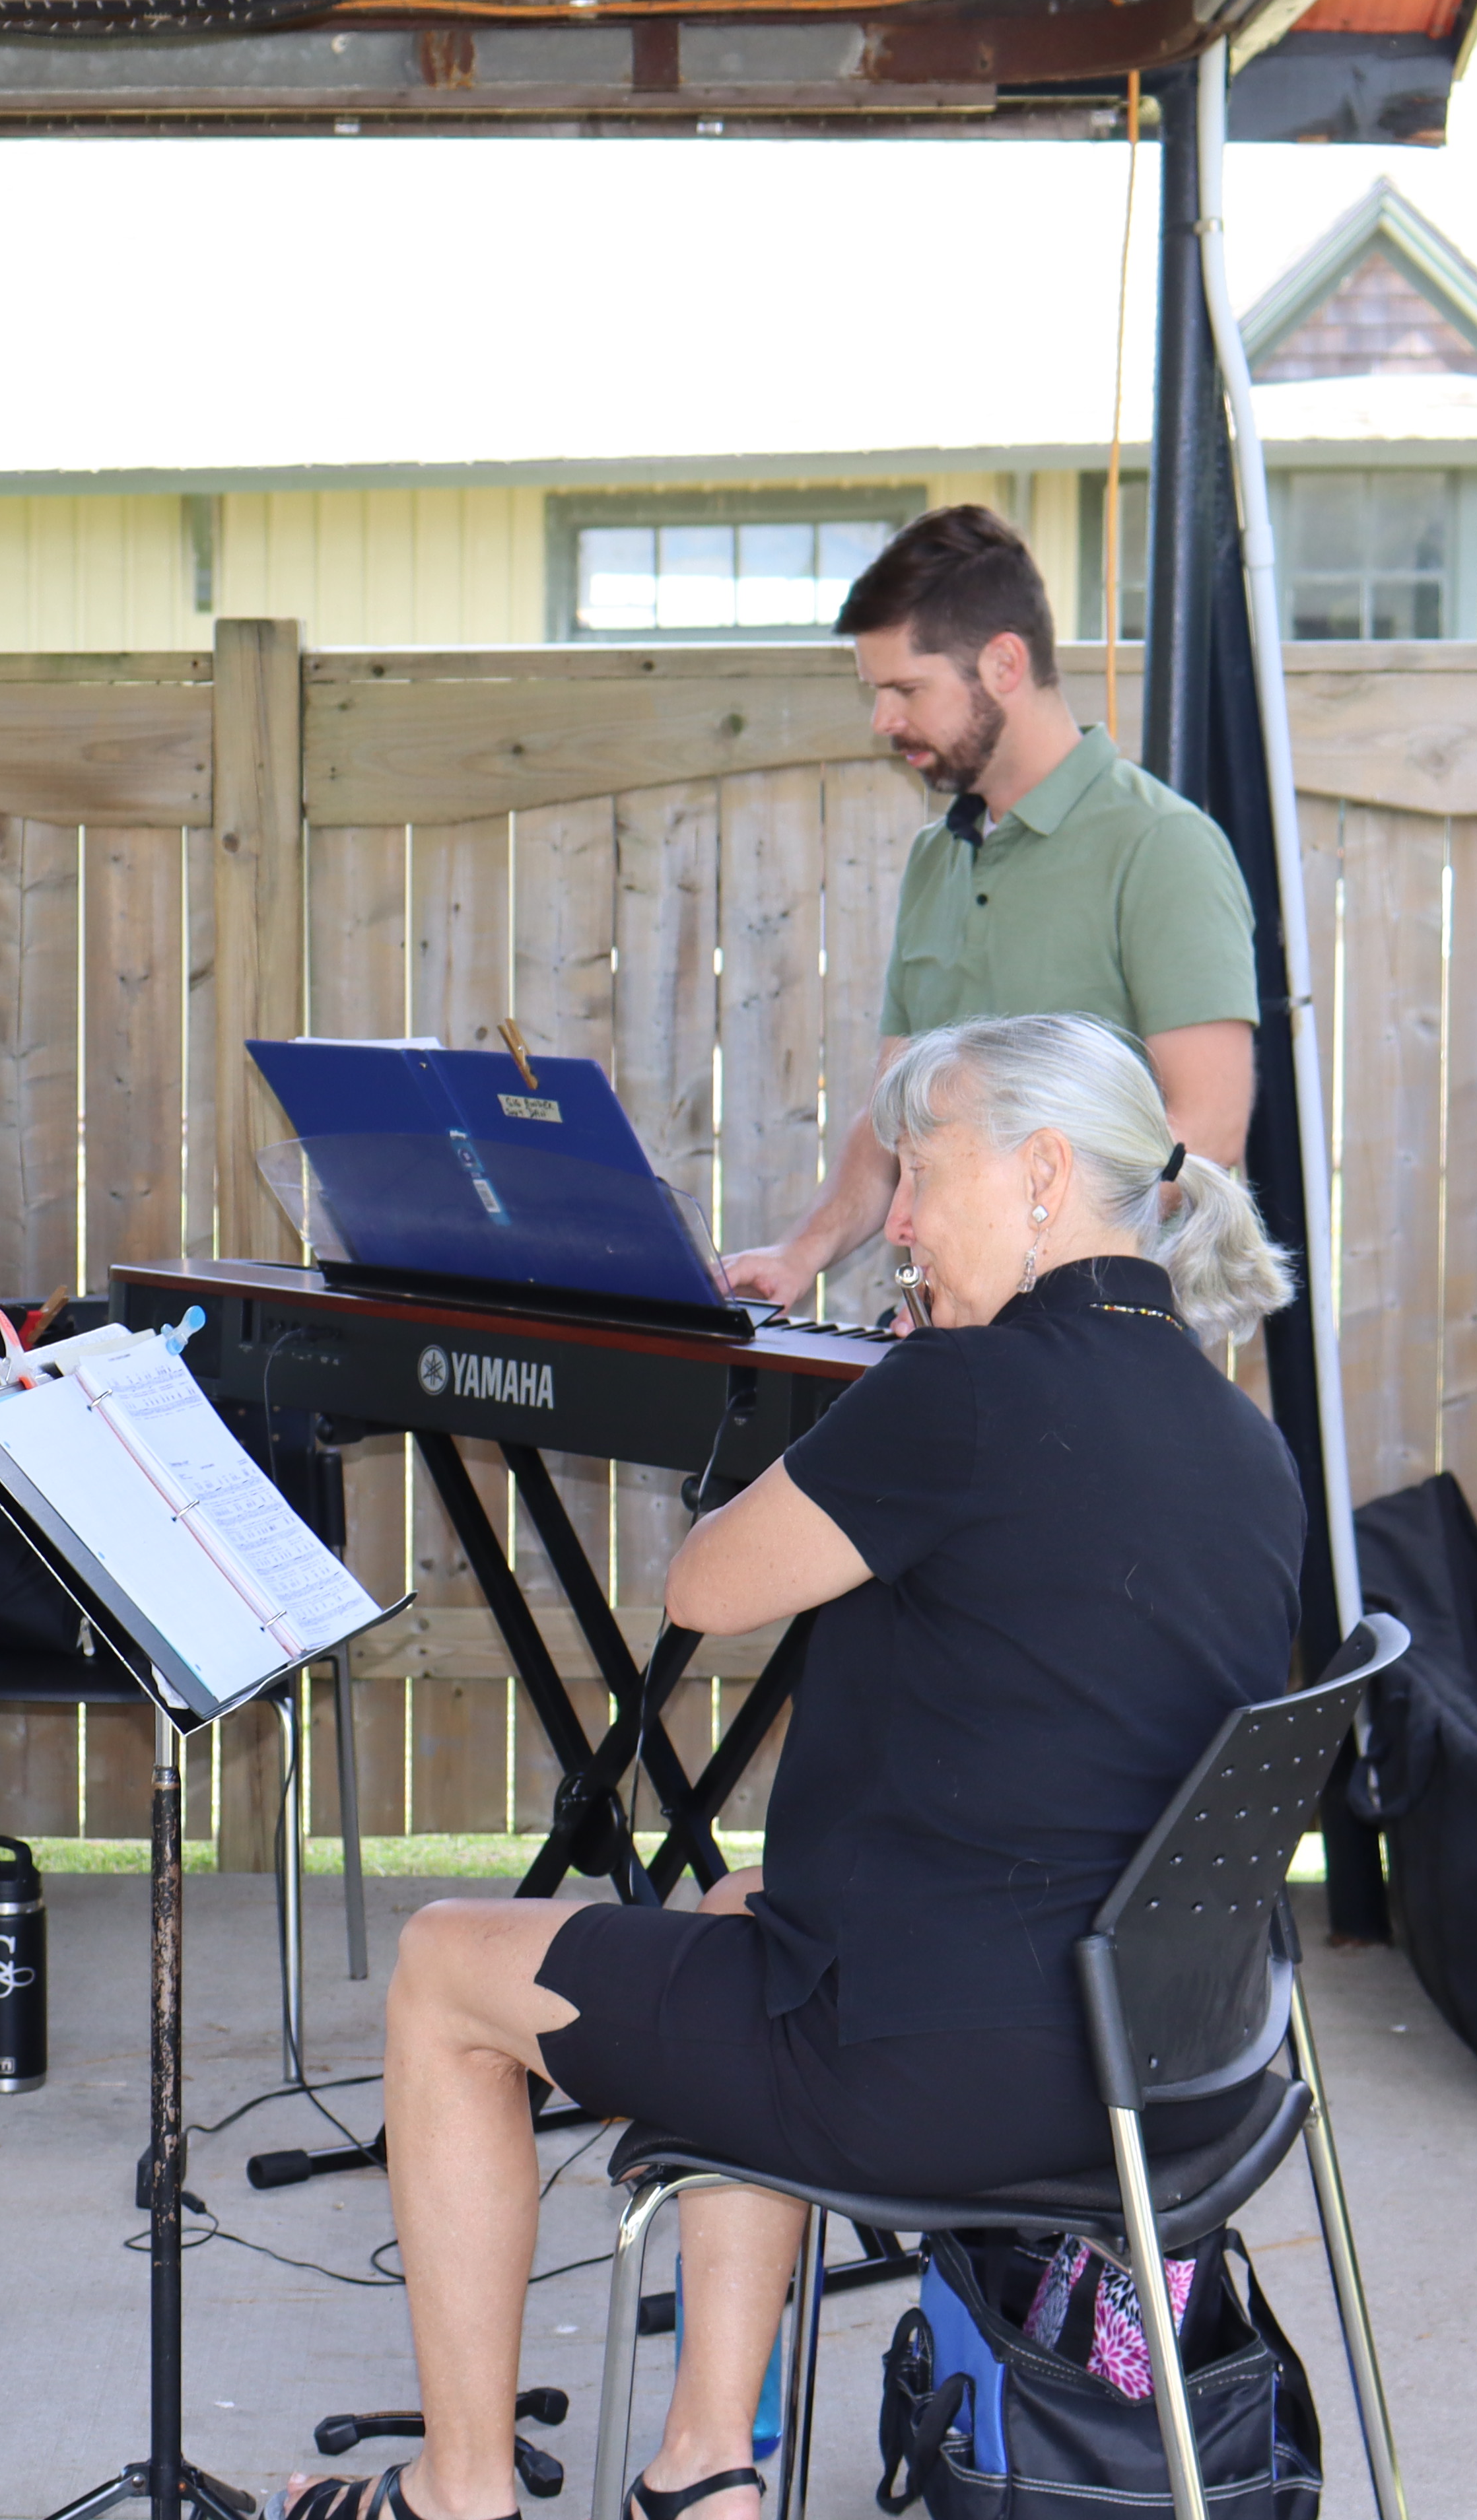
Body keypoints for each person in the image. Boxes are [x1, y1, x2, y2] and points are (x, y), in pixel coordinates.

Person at [275, 1014, 1303, 2520]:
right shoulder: (1240, 1437)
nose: (892, 1222)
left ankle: (458, 2491)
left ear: (1039, 1174)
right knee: (739, 1915)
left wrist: (886, 1402)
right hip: (1174, 2073)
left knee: (441, 1971)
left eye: (918, 1177)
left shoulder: (963, 1394)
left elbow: (704, 1584)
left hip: (948, 2077)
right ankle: (704, 2472)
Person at [718, 506, 1262, 1314]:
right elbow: (893, 1117)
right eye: (876, 692)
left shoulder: (1163, 846)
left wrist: (993, 1275)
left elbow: (1205, 1135)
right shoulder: (936, 856)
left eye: (905, 688)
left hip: (1096, 1364)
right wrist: (804, 1253)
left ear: (1004, 662)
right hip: (946, 1337)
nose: (883, 721)